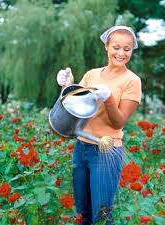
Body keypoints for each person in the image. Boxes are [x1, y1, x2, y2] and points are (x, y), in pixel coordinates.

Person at [56, 25, 142, 225]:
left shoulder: (132, 81)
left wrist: (109, 99)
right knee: (82, 213)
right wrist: (66, 86)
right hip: (81, 147)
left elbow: (119, 121)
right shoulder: (91, 75)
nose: (121, 53)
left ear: (132, 51)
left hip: (106, 151)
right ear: (107, 46)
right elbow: (75, 108)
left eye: (127, 49)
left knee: (101, 215)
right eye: (116, 47)